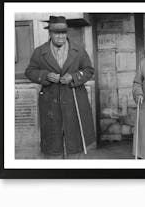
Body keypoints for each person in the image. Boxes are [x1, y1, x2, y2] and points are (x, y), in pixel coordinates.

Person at [25, 16, 96, 159]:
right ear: (49, 33)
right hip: (51, 104)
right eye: (56, 33)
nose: (60, 36)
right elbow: (30, 72)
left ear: (67, 33)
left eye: (63, 32)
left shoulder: (79, 50)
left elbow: (89, 70)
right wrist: (45, 76)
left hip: (74, 100)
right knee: (53, 144)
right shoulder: (39, 52)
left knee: (75, 143)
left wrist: (74, 77)